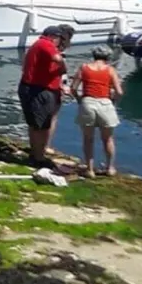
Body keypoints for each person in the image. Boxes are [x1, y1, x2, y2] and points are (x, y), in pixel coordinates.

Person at [18, 24, 71, 166]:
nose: (61, 42)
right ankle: (38, 157)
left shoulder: (39, 44)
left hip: (38, 87)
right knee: (39, 125)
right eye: (60, 39)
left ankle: (37, 152)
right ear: (54, 37)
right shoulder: (46, 43)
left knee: (38, 123)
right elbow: (57, 59)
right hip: (38, 89)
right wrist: (63, 68)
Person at [73, 45, 124, 177]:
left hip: (88, 102)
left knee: (88, 139)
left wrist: (79, 99)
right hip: (105, 103)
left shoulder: (84, 67)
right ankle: (110, 168)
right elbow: (119, 92)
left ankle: (90, 170)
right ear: (107, 57)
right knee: (108, 139)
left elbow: (73, 88)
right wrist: (113, 101)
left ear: (94, 55)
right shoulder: (110, 70)